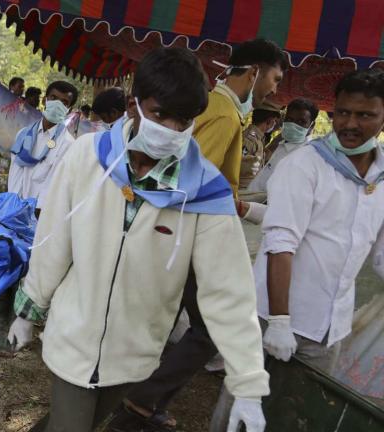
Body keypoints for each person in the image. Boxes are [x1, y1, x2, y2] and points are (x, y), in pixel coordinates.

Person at [7, 47, 268, 432]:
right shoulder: (87, 157)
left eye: (183, 120)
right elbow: (55, 238)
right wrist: (30, 307)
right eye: (161, 114)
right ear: (134, 106)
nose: (172, 130)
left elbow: (228, 290)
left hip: (137, 352)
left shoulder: (204, 191)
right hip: (73, 335)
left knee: (77, 423)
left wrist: (248, 383)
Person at [112, 38, 286, 431]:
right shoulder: (224, 115)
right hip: (186, 231)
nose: (274, 90)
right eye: (274, 79)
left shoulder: (222, 109)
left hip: (178, 230)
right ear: (254, 72)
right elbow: (187, 180)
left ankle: (143, 395)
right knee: (205, 324)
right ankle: (144, 396)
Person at [211, 68, 384, 432]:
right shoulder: (306, 165)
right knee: (241, 411)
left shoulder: (380, 180)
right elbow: (281, 242)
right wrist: (280, 322)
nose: (350, 123)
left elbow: (378, 252)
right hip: (274, 316)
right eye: (342, 113)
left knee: (295, 415)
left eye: (365, 115)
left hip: (328, 327)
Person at [8, 81, 77, 212]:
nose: (57, 104)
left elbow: (54, 184)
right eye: (53, 98)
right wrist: (13, 206)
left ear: (70, 110)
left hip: (42, 214)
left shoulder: (68, 144)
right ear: (45, 100)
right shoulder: (23, 134)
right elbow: (15, 174)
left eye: (64, 102)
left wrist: (37, 213)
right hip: (14, 209)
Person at [248, 98, 318, 193]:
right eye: (289, 119)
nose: (293, 125)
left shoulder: (307, 157)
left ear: (312, 126)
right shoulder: (283, 144)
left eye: (301, 122)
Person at [240, 102, 281, 190]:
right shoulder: (249, 139)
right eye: (274, 121)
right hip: (241, 191)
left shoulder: (258, 139)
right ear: (269, 121)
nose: (274, 125)